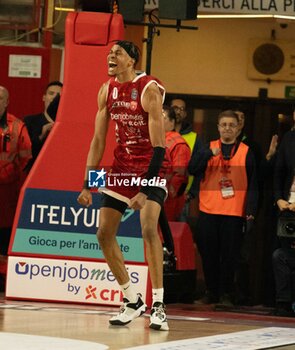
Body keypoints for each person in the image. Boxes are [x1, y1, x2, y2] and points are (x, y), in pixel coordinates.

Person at [77, 41, 169, 331]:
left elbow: (160, 147)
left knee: (147, 227)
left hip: (152, 168)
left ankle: (159, 305)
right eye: (110, 53)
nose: (111, 56)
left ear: (132, 60)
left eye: (118, 53)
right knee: (104, 234)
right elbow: (98, 140)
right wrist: (87, 184)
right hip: (121, 169)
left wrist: (144, 190)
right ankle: (132, 299)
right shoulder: (107, 90)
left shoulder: (148, 89)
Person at [190, 110, 258, 307]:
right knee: (208, 254)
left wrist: (251, 212)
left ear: (238, 129)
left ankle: (227, 294)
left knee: (230, 256)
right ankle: (211, 292)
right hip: (208, 211)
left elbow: (254, 184)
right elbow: (192, 169)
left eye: (231, 125)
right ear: (218, 127)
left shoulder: (247, 151)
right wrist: (205, 155)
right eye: (224, 124)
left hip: (234, 213)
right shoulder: (207, 148)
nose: (227, 128)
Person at [0, 86, 32, 289]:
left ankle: (2, 280)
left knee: (4, 237)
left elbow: (26, 158)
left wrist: (9, 173)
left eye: (0, 98)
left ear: (7, 101)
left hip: (7, 193)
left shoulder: (17, 126)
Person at [272, 108, 295, 316]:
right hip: (288, 209)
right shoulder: (289, 138)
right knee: (280, 255)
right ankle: (283, 303)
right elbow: (278, 172)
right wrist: (278, 198)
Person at [24, 81, 63, 167]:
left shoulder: (66, 126)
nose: (54, 97)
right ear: (44, 97)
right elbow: (25, 154)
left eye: (58, 95)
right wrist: (41, 136)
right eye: (51, 93)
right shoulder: (29, 121)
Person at [162, 105, 191, 221]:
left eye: (162, 117)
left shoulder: (178, 144)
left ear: (172, 122)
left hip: (167, 201)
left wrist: (165, 195)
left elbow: (180, 176)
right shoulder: (151, 140)